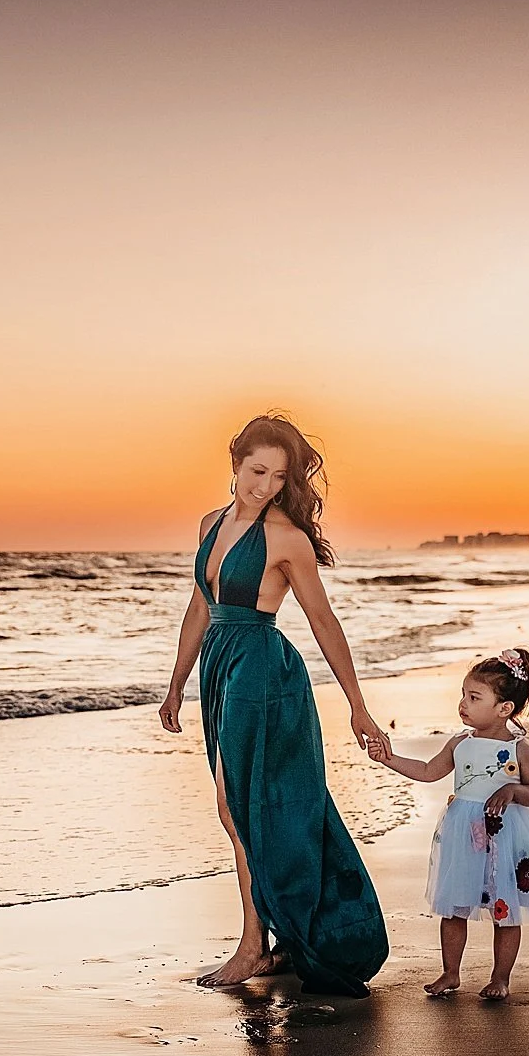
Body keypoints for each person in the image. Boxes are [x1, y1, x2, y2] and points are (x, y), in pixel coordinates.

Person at [157, 414, 391, 994]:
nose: (264, 486)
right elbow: (200, 606)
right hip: (221, 667)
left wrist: (358, 706)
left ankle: (252, 948)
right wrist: (177, 680)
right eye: (256, 471)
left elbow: (323, 620)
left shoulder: (287, 539)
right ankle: (275, 937)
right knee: (244, 807)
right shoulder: (211, 524)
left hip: (264, 671)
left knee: (244, 808)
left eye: (278, 477)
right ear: (234, 463)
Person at [368, 648, 529, 1000]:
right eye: (463, 695)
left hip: (503, 835)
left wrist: (511, 790)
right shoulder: (460, 743)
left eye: (474, 697)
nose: (463, 703)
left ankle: (501, 978)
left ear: (503, 708)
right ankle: (451, 972)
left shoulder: (519, 751)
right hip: (463, 834)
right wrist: (390, 759)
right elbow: (430, 771)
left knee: (504, 910)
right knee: (453, 906)